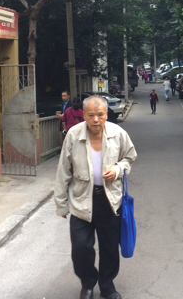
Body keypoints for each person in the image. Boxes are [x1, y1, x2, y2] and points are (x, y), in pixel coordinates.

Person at [55, 96, 137, 299]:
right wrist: (61, 204)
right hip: (81, 199)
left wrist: (118, 169)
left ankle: (107, 286)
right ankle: (88, 284)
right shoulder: (73, 135)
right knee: (81, 247)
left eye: (100, 115)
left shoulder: (118, 133)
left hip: (109, 201)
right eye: (91, 115)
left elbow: (130, 157)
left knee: (109, 247)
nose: (96, 119)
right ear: (84, 115)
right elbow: (63, 171)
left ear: (106, 115)